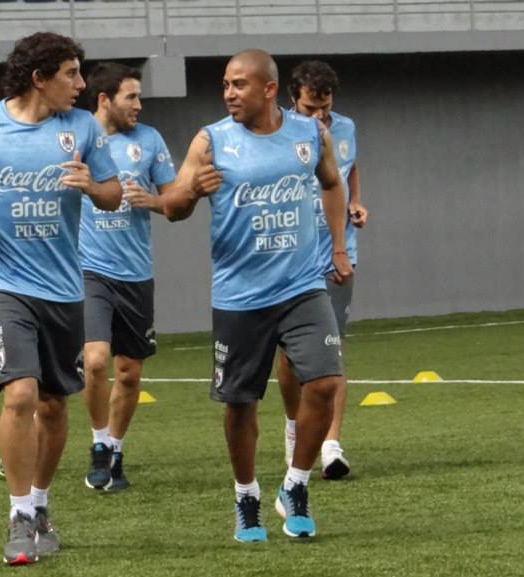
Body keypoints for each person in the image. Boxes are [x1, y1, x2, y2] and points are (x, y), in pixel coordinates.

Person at [0, 32, 121, 565]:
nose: (81, 85)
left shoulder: (83, 128)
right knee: (19, 394)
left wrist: (91, 186)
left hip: (62, 289)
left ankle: (39, 504)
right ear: (39, 78)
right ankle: (17, 516)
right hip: (2, 285)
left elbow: (113, 195)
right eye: (71, 74)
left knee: (54, 405)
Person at [162, 49, 352, 542]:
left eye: (239, 84)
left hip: (302, 286)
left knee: (325, 384)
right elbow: (172, 206)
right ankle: (246, 497)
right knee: (241, 404)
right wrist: (192, 191)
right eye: (226, 84)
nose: (229, 93)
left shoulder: (309, 134)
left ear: (268, 89)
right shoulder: (210, 140)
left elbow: (333, 184)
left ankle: (296, 485)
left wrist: (336, 246)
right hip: (240, 297)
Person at [79, 62, 176, 491]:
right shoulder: (75, 137)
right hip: (88, 271)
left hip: (136, 274)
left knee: (130, 372)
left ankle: (116, 450)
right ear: (104, 100)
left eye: (140, 96)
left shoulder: (150, 140)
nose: (139, 105)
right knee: (96, 360)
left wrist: (151, 201)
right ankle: (99, 443)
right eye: (131, 97)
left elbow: (174, 199)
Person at [277, 60, 367, 480]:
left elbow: (349, 169)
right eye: (310, 108)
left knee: (333, 351)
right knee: (290, 357)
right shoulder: (279, 132)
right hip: (291, 256)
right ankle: (294, 426)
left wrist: (355, 203)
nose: (319, 116)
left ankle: (330, 444)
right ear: (293, 98)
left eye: (325, 107)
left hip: (337, 253)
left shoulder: (344, 127)